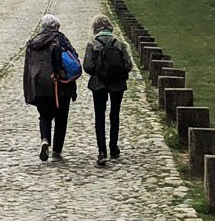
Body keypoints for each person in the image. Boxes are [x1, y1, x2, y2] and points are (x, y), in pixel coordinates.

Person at [22, 13, 79, 162]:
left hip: (40, 84)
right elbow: (73, 57)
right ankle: (57, 151)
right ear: (56, 27)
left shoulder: (34, 43)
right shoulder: (61, 39)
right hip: (60, 84)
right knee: (61, 117)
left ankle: (45, 140)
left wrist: (29, 89)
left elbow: (28, 68)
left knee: (44, 115)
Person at [83, 15, 133, 163]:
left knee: (100, 116)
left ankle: (102, 151)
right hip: (117, 84)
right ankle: (113, 147)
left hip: (99, 84)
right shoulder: (118, 43)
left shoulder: (92, 44)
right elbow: (128, 64)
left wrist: (99, 71)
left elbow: (87, 66)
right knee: (115, 114)